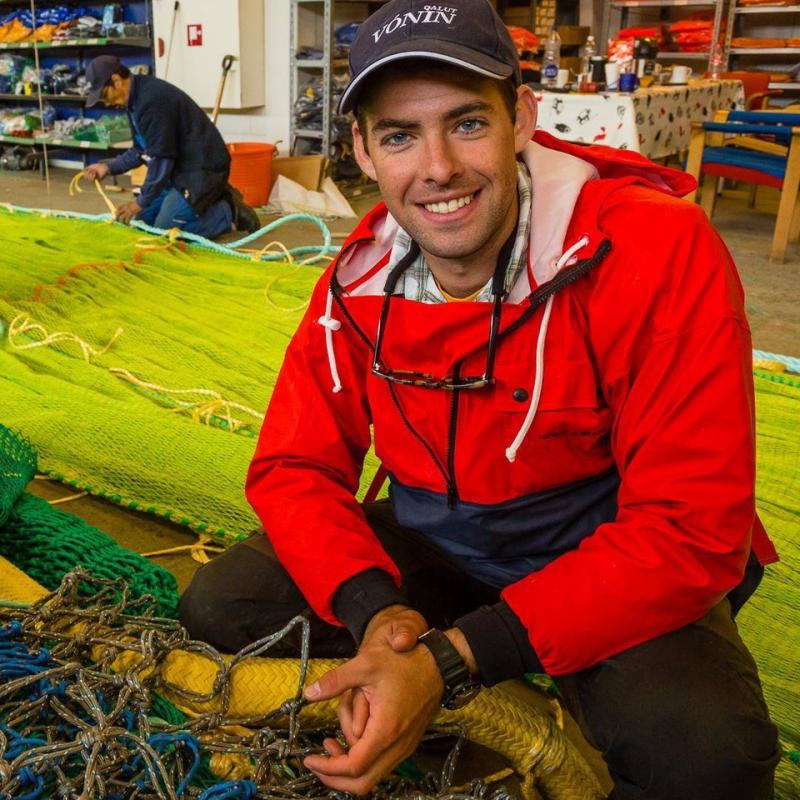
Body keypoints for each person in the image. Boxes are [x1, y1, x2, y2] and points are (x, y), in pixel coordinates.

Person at [179, 1, 781, 797]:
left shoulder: (657, 249)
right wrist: (381, 616)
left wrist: (453, 658)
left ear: (521, 118)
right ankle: (408, 711)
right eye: (399, 135)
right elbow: (293, 466)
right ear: (361, 148)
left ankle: (480, 677)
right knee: (220, 608)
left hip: (610, 551)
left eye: (466, 123)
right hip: (443, 538)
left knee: (708, 762)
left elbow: (690, 526)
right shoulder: (353, 284)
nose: (438, 169)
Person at [80, 55, 259, 238]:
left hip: (202, 169)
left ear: (116, 81)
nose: (106, 102)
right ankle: (203, 204)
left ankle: (228, 211)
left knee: (164, 232)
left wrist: (139, 203)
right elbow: (141, 151)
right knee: (141, 225)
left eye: (104, 95)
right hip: (177, 171)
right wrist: (108, 167)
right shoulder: (134, 101)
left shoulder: (150, 102)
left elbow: (161, 159)